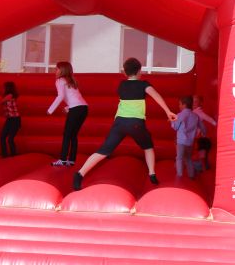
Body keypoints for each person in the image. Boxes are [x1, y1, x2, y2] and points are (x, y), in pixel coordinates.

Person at [73, 58, 177, 190]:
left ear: (125, 73)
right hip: (136, 123)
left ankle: (80, 173)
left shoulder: (122, 85)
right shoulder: (143, 84)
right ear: (139, 71)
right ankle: (152, 173)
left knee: (103, 151)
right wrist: (168, 111)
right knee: (148, 147)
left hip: (120, 123)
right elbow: (156, 96)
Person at [48, 61, 88, 167]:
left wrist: (50, 109)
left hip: (76, 109)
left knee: (67, 134)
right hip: (83, 108)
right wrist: (68, 107)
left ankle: (63, 159)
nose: (55, 71)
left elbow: (61, 96)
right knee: (73, 135)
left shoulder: (60, 80)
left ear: (62, 70)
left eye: (57, 69)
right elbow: (76, 97)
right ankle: (71, 160)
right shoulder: (71, 81)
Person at [171, 96, 206, 179]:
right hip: (190, 142)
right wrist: (204, 133)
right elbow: (203, 128)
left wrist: (172, 121)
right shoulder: (195, 116)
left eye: (180, 104)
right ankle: (191, 175)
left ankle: (179, 175)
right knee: (188, 158)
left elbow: (175, 127)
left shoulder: (180, 115)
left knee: (179, 158)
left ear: (184, 105)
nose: (179, 106)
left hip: (181, 141)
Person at [0, 81, 21, 158]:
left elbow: (0, 102)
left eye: (4, 87)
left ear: (7, 88)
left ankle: (13, 155)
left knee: (10, 139)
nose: (3, 89)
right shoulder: (8, 96)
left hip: (14, 119)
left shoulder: (10, 95)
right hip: (10, 119)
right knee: (3, 137)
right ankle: (5, 155)